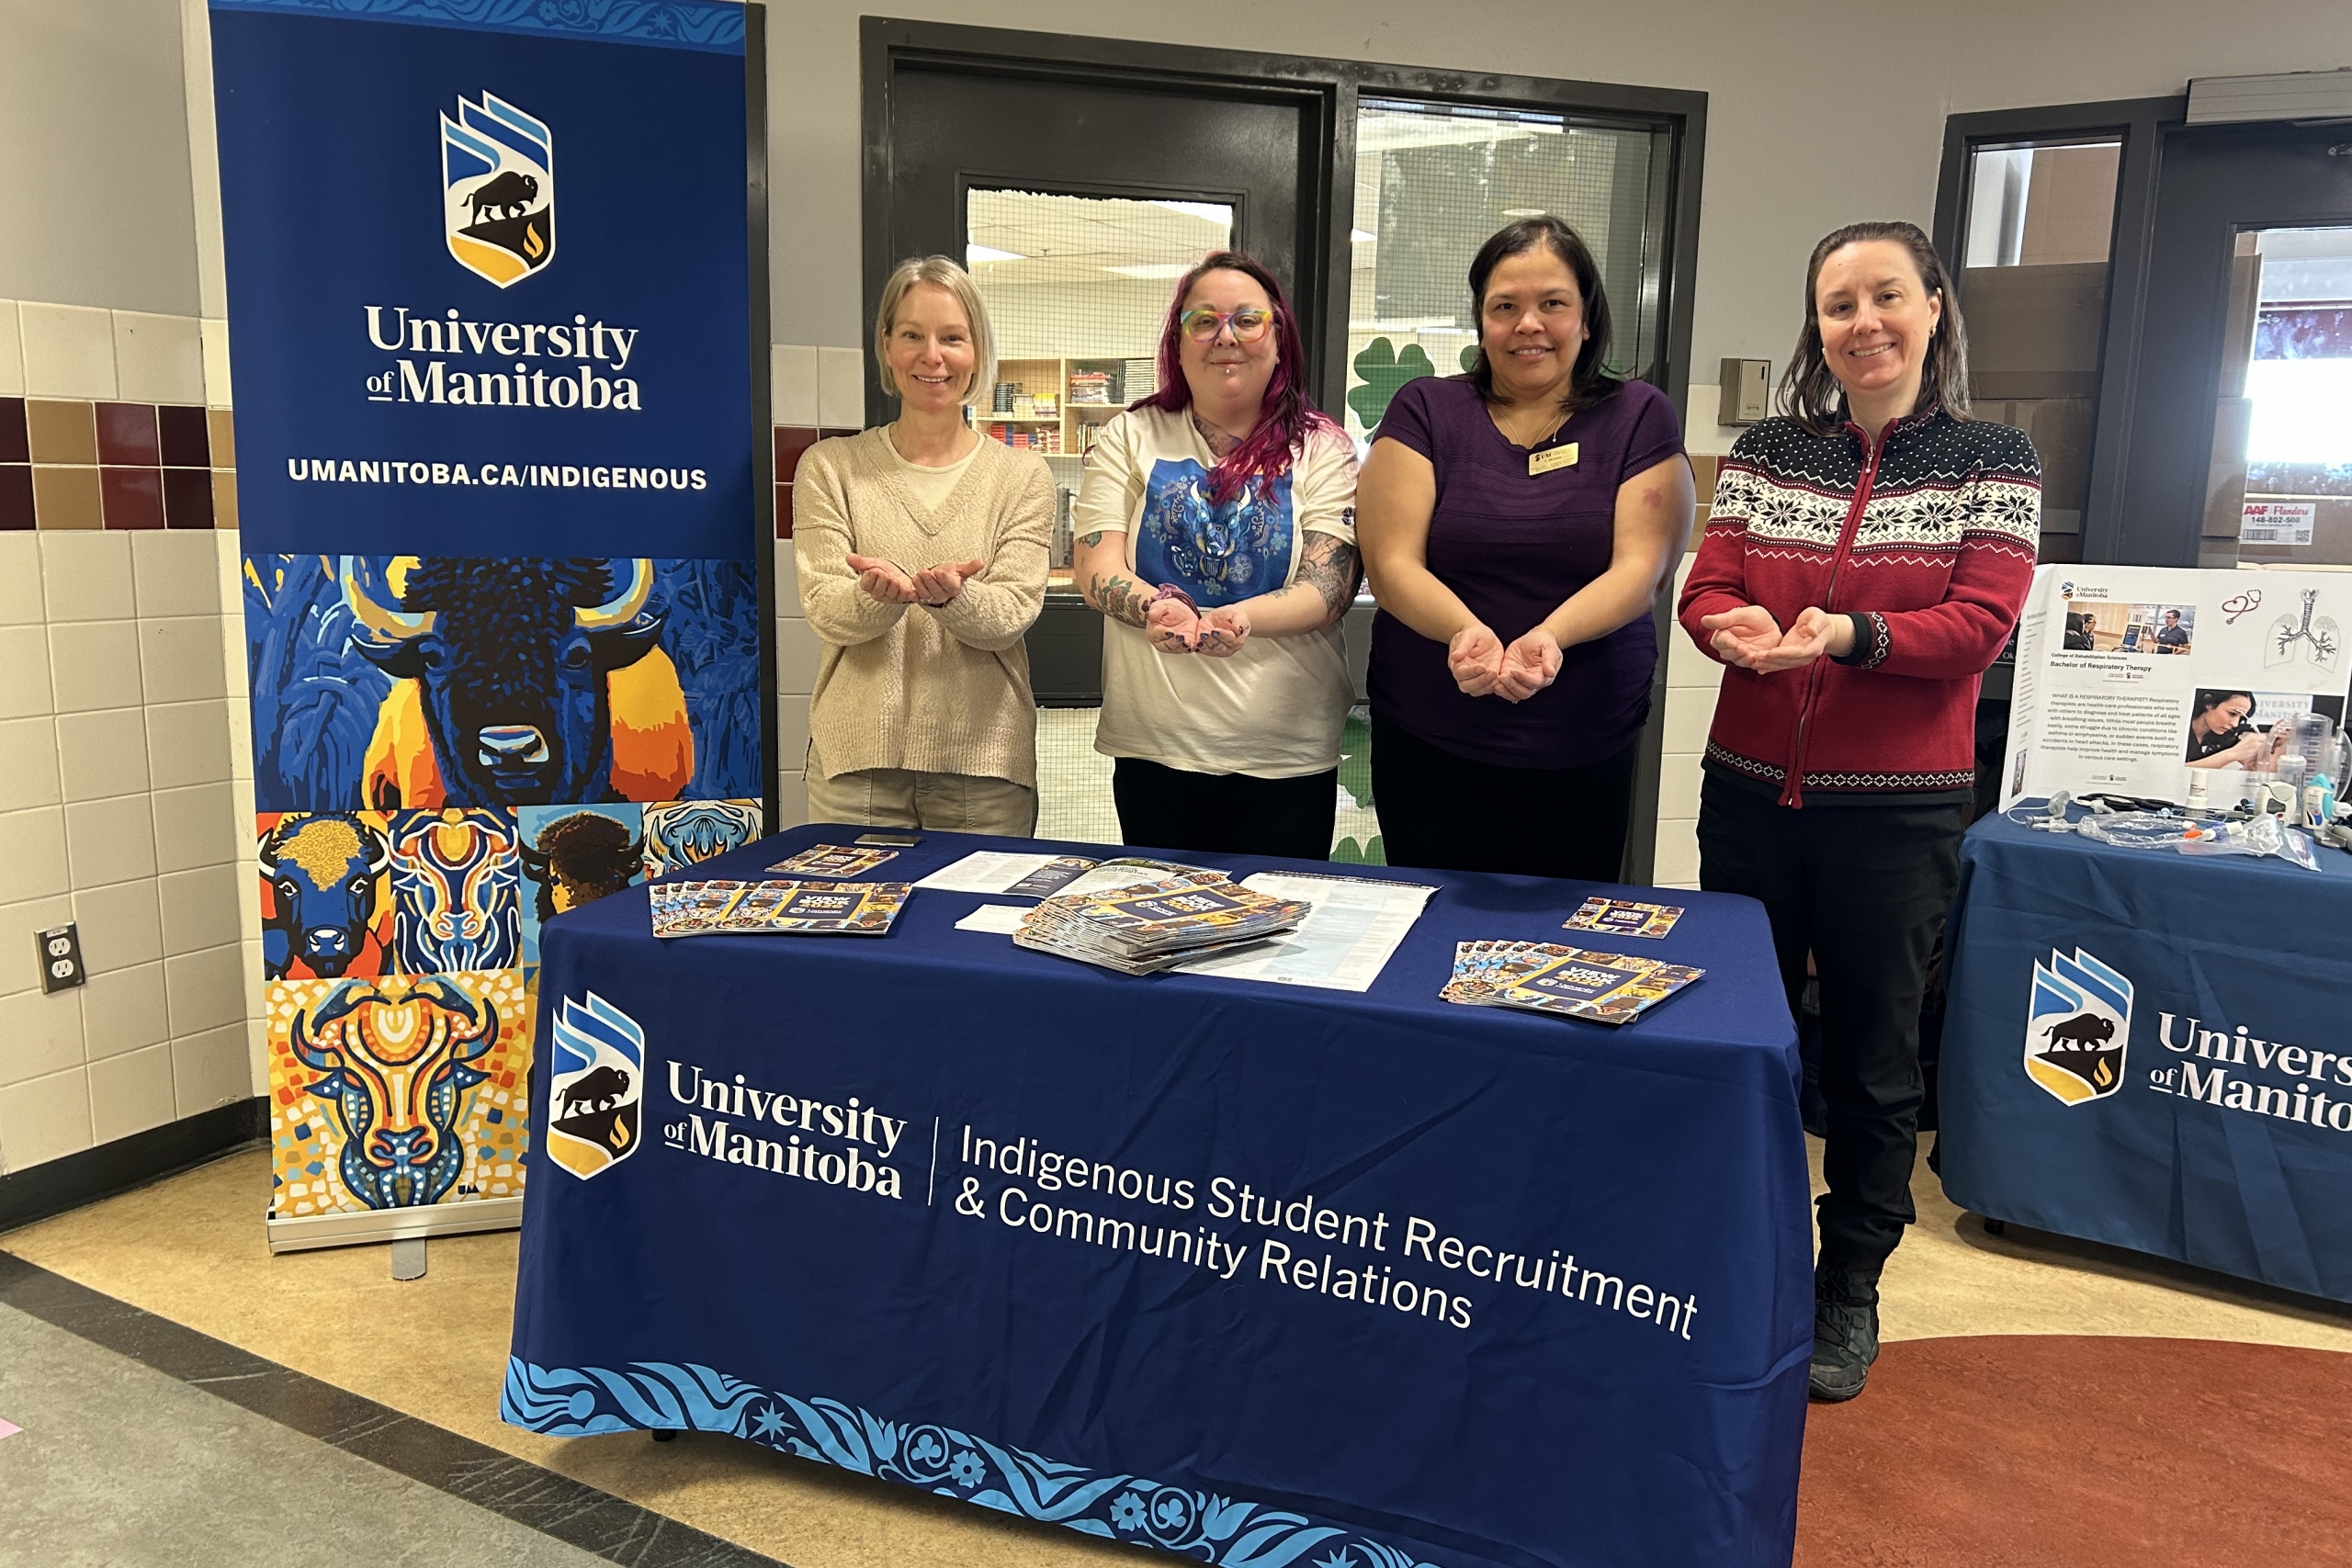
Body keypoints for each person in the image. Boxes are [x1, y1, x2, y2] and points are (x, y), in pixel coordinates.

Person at [1676, 220, 2040, 1403]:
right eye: (1838, 305)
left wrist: (1844, 634)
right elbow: (1709, 584)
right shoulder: (1768, 450)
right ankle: (1745, 1253)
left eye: (1887, 296)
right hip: (1745, 797)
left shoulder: (1996, 458)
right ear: (1816, 327)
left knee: (1876, 1066)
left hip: (1895, 817)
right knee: (1741, 1042)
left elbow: (1979, 626)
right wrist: (1727, 628)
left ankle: (1850, 1285)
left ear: (1934, 306)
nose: (1863, 323)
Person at [1356, 216, 1694, 881]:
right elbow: (1392, 564)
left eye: (1552, 304)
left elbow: (1644, 568)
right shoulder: (1425, 409)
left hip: (1585, 740)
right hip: (1431, 736)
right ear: (1482, 322)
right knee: (1427, 935)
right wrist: (1467, 633)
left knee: (1560, 953)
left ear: (1587, 318)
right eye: (1504, 306)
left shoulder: (1638, 416)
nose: (1527, 324)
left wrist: (1550, 638)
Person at [1070, 251, 1361, 859]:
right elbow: (1097, 566)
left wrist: (1245, 618)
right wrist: (1155, 607)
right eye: (1203, 321)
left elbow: (1328, 585)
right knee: (1160, 933)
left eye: (1247, 320)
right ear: (1178, 344)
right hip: (1157, 746)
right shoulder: (1131, 434)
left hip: (1285, 754)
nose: (1224, 335)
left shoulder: (1322, 446)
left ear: (1280, 340)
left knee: (1275, 943)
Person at [795, 255, 1055, 834]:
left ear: (977, 352)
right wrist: (875, 596)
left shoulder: (1023, 476)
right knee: (845, 922)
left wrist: (952, 599)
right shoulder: (830, 467)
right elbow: (824, 608)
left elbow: (1011, 614)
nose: (932, 356)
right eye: (912, 335)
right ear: (886, 346)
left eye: (953, 338)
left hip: (984, 766)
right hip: (855, 767)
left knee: (972, 926)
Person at [2184, 689, 2280, 768]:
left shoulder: (2224, 737)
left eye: (2241, 717)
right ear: (2208, 703)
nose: (2235, 724)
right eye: (2232, 714)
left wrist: (2272, 742)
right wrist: (2232, 754)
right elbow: (2174, 771)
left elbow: (2257, 766)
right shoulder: (2178, 730)